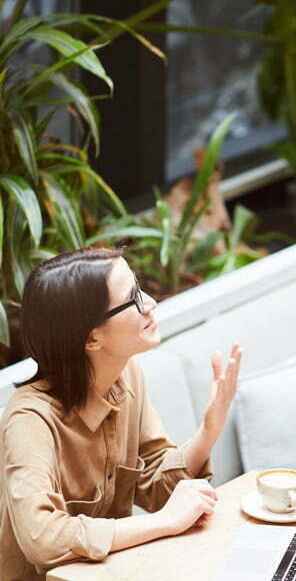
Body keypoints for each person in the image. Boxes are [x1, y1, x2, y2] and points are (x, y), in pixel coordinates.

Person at [0, 248, 242, 581]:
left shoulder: (126, 374)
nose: (151, 303)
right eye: (133, 299)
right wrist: (164, 522)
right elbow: (43, 539)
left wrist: (208, 431)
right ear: (91, 338)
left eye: (139, 288)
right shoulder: (29, 420)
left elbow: (156, 488)